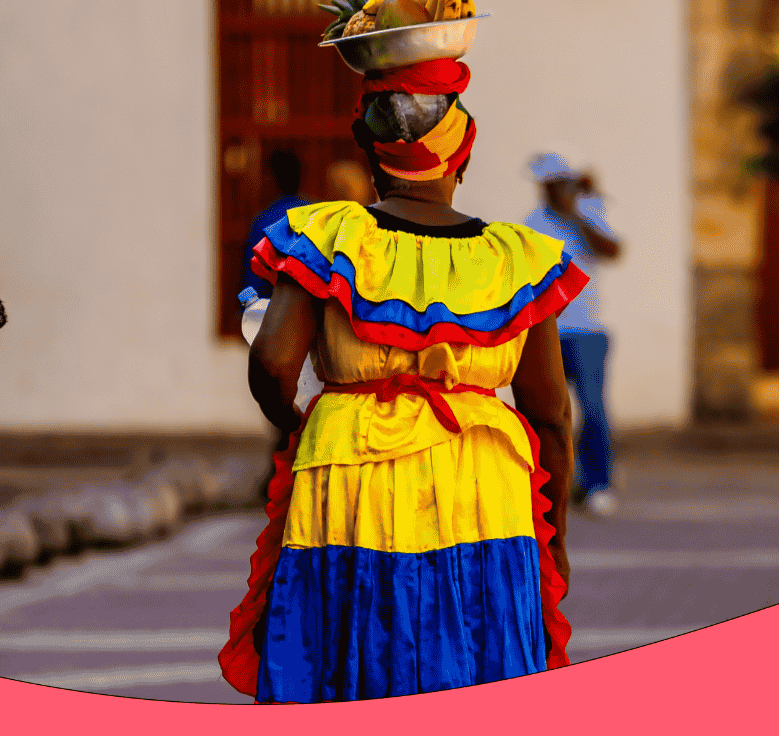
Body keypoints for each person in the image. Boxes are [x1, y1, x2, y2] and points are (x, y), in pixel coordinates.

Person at [219, 58, 587, 702]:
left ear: (367, 148)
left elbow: (274, 365)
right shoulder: (519, 258)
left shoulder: (328, 236)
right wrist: (554, 540)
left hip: (349, 475)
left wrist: (297, 425)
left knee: (346, 656)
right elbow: (550, 414)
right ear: (463, 159)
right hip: (486, 490)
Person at [522, 145, 624, 517]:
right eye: (551, 186)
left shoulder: (589, 213)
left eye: (562, 184)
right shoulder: (531, 223)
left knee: (594, 409)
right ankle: (554, 485)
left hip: (586, 331)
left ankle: (598, 483)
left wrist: (578, 217)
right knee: (548, 413)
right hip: (547, 330)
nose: (557, 191)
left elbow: (613, 251)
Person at [240, 150, 312, 301]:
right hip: (314, 315)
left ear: (271, 179)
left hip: (274, 312)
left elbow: (255, 280)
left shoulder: (265, 223)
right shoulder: (317, 216)